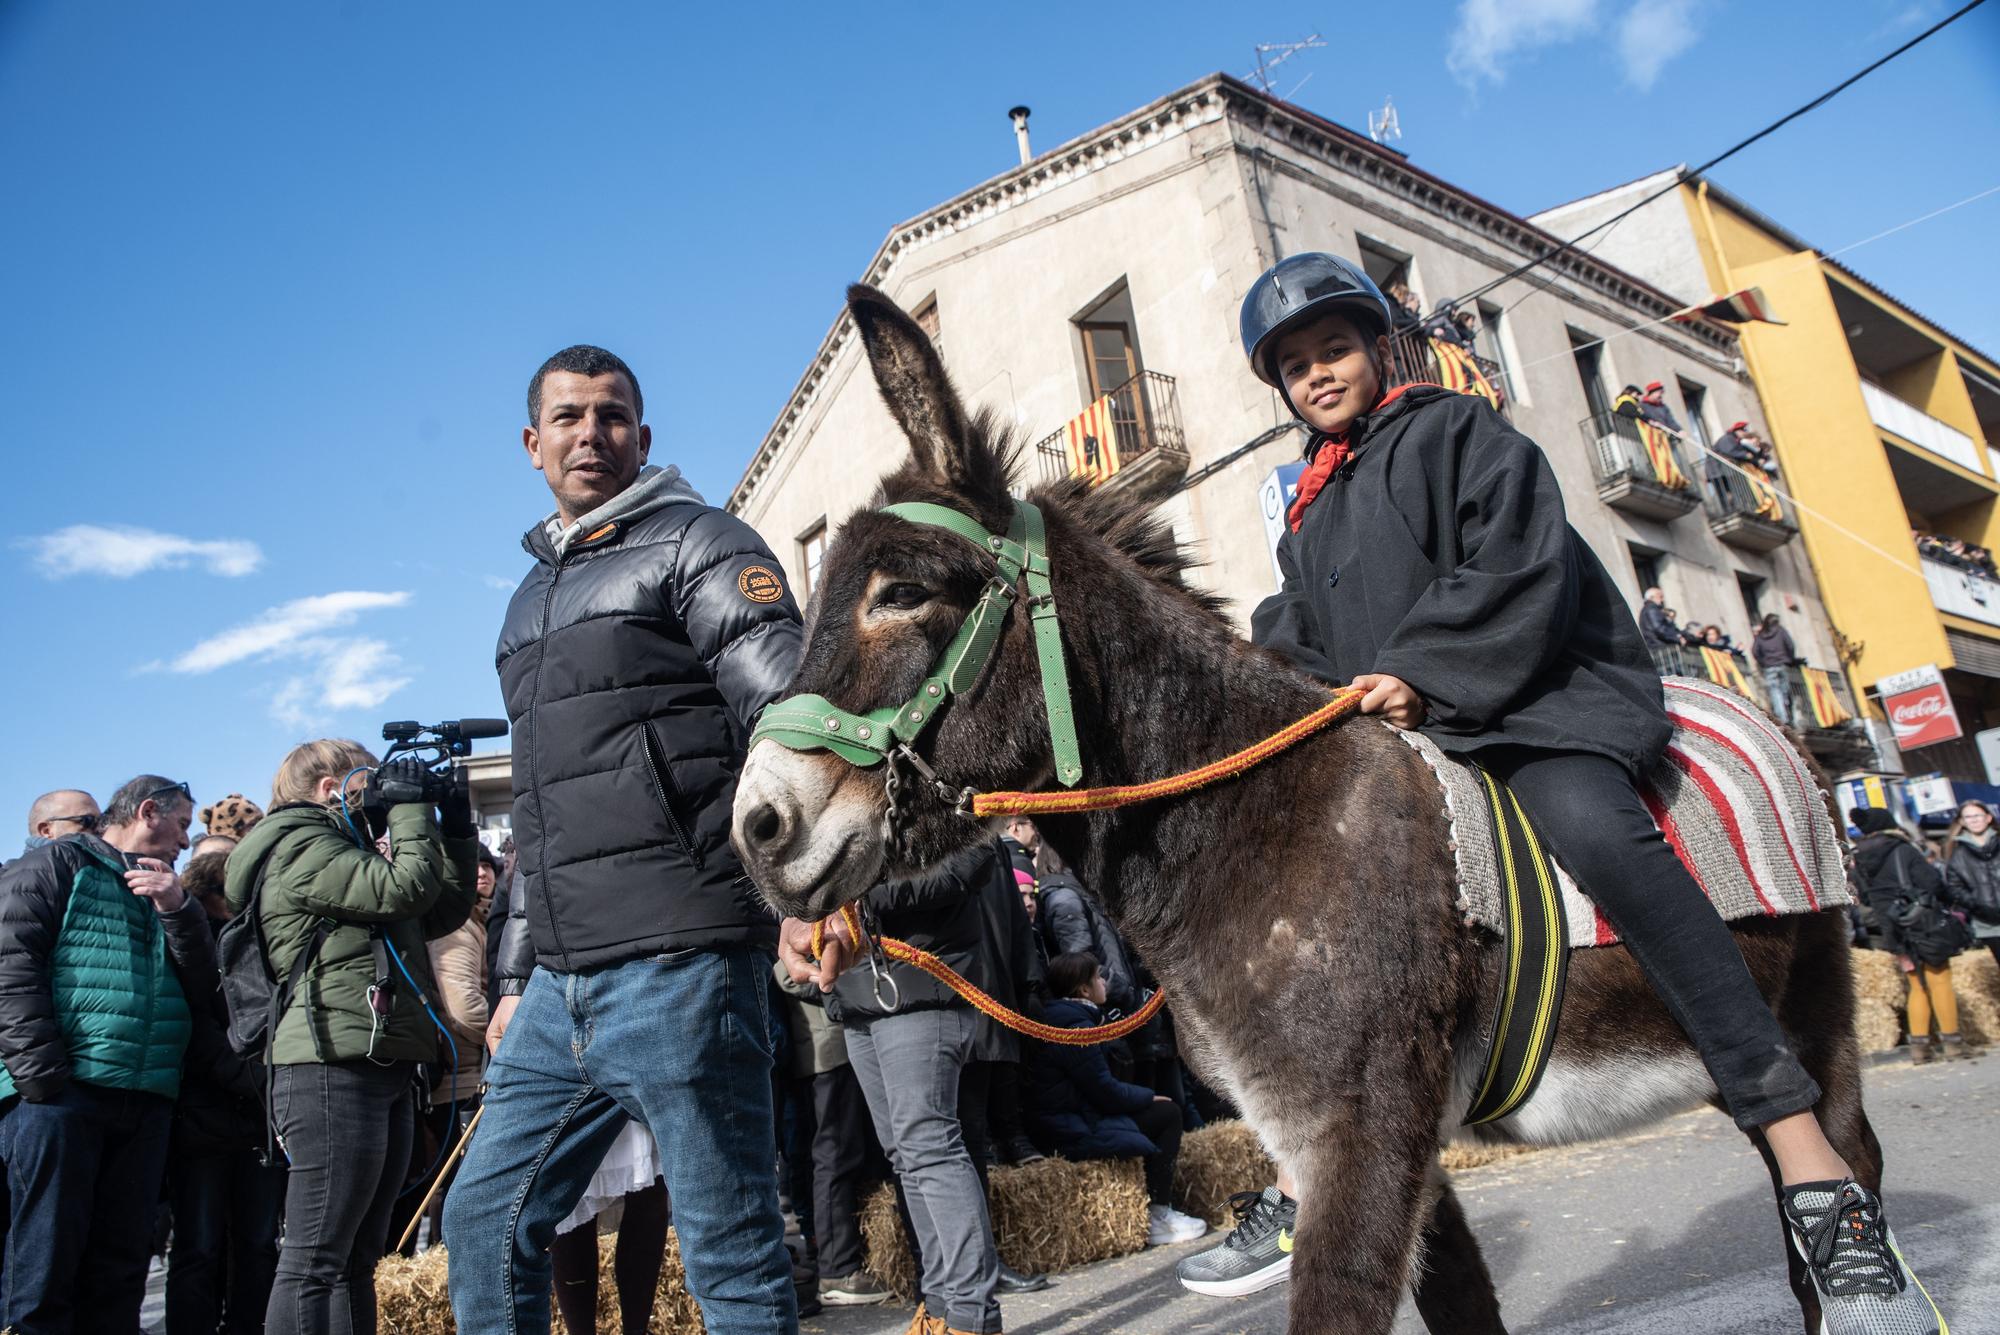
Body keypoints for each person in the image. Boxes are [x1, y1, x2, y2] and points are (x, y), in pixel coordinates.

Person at [1221, 250, 1945, 1331]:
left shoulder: (1461, 431)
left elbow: (1513, 566)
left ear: (1377, 347)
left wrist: (1418, 672)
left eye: (1334, 347)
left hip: (1528, 702)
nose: (1317, 372)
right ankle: (1302, 1176)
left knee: (1595, 831)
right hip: (1399, 736)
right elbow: (1292, 633)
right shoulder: (1307, 512)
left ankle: (1807, 1160)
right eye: (1295, 364)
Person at [444, 344, 805, 1335]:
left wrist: (808, 899)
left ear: (642, 438)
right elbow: (540, 809)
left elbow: (789, 714)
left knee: (729, 1252)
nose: (590, 434)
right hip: (559, 985)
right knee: (482, 1219)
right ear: (533, 444)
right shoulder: (526, 602)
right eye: (568, 417)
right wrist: (514, 975)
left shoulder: (700, 540)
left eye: (611, 416)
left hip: (686, 956)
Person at [225, 740, 478, 1335]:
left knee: (358, 1259)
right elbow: (404, 888)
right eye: (369, 779)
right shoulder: (300, 845)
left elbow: (437, 910)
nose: (380, 790)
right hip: (329, 1063)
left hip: (378, 1057)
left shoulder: (344, 848)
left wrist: (456, 829)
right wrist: (410, 809)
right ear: (328, 788)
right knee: (315, 1258)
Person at [0, 775, 214, 1334]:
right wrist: (43, 1079)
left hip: (144, 1098)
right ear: (147, 812)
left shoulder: (168, 889)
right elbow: (10, 966)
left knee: (121, 1269)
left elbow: (204, 987)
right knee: (44, 1266)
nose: (186, 841)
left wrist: (178, 908)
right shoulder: (57, 863)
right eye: (181, 825)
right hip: (64, 1095)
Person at [827, 842, 1011, 1335]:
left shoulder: (944, 792)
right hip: (860, 990)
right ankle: (942, 1304)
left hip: (922, 980)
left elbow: (970, 861)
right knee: (907, 1155)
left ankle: (971, 1316)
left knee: (929, 1147)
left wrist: (858, 898)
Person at [166, 848, 285, 1335]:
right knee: (199, 1246)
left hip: (255, 1119)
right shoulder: (190, 944)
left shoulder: (259, 938)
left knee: (258, 1243)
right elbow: (197, 1027)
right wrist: (253, 1077)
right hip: (204, 1118)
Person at [1026, 953, 1208, 1248]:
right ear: (1084, 990)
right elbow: (1105, 1092)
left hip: (1077, 1116)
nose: (1104, 982)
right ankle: (1158, 1213)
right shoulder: (1075, 1027)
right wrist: (1148, 1097)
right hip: (1073, 1126)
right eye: (1098, 977)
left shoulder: (1072, 1018)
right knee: (1167, 1114)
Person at [772, 965, 892, 1309]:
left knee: (848, 1156)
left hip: (836, 1040)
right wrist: (849, 988)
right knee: (836, 1157)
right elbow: (788, 974)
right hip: (827, 1047)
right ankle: (838, 1270)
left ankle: (847, 1263)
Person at [1849, 807, 1975, 1065]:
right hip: (1921, 923)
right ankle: (1952, 1043)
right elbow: (1932, 883)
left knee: (1916, 985)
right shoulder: (1903, 849)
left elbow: (1866, 897)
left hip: (1892, 929)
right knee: (1939, 979)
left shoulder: (1859, 858)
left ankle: (1919, 1047)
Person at [1943, 799, 2000, 971]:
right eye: (1968, 817)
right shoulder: (1957, 853)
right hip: (1988, 924)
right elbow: (1954, 888)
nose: (1974, 820)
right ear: (1962, 821)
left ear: (1988, 818)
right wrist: (1978, 905)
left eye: (1977, 815)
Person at [1752, 613, 1802, 728]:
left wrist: (1763, 662)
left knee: (1775, 692)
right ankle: (1787, 713)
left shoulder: (1760, 635)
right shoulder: (1781, 631)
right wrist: (1790, 659)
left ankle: (1783, 717)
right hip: (1782, 664)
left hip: (1769, 667)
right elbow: (1790, 645)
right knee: (1785, 690)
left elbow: (1755, 651)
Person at [21, 789, 100, 857]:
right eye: (88, 820)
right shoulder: (33, 869)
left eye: (102, 821)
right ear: (46, 831)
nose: (100, 828)